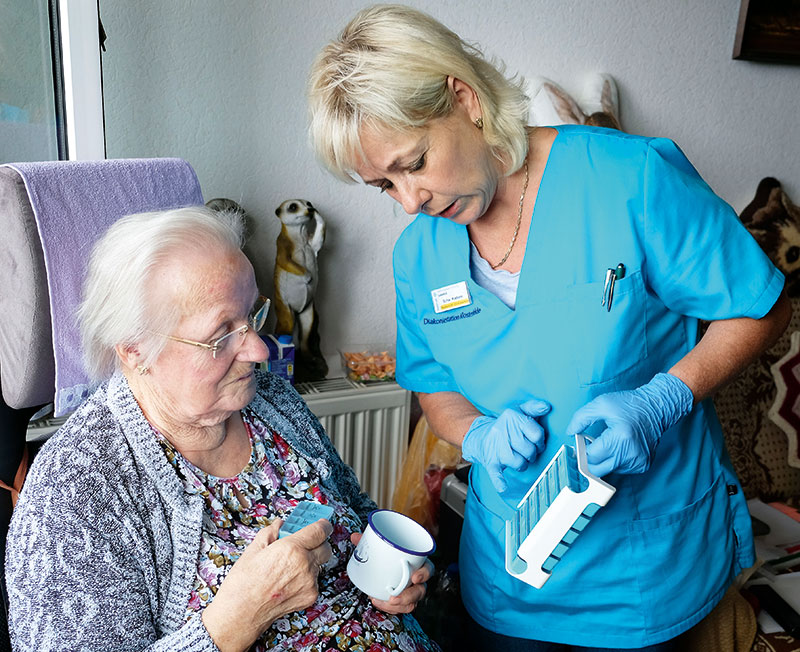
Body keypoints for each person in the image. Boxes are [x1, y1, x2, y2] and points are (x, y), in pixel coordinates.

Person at [307, 4, 792, 651]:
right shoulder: (419, 255)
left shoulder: (629, 179)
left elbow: (762, 305)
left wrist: (661, 400)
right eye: (383, 186)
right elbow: (435, 388)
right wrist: (475, 434)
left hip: (645, 573)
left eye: (415, 161)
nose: (410, 200)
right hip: (508, 581)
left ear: (465, 99)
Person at [5, 205, 440, 652]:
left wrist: (389, 573)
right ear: (136, 350)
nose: (258, 350)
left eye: (252, 315)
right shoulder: (75, 489)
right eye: (221, 335)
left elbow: (354, 506)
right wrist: (236, 619)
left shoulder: (270, 398)